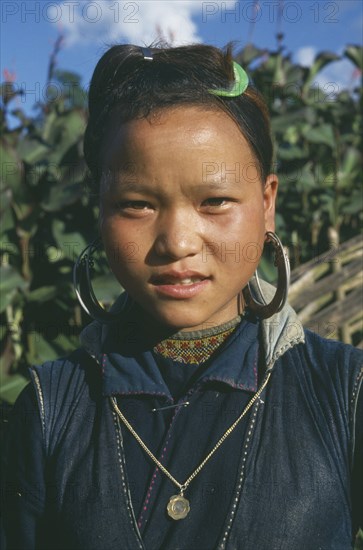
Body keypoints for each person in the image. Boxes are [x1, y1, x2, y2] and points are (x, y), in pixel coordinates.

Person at [4, 43, 362, 550]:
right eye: (136, 204)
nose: (178, 241)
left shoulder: (344, 394)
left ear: (266, 205)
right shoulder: (49, 409)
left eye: (215, 201)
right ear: (99, 213)